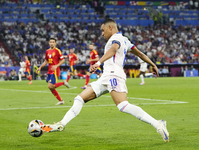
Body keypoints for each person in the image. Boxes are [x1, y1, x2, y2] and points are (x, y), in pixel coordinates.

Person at [41, 19, 169, 142]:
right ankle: (62, 124)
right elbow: (140, 54)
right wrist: (153, 64)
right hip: (105, 77)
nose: (102, 34)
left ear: (110, 28)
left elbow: (113, 50)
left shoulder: (116, 38)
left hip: (114, 75)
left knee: (123, 105)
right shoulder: (125, 40)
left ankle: (158, 124)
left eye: (103, 30)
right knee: (79, 99)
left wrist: (98, 63)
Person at [36, 38, 70, 105]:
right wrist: (40, 67)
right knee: (51, 88)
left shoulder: (57, 51)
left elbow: (63, 60)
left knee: (50, 86)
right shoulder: (47, 51)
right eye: (50, 42)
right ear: (49, 43)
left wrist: (56, 66)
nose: (51, 43)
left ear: (55, 43)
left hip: (55, 71)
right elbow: (46, 61)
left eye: (53, 42)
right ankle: (61, 101)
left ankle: (63, 83)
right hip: (49, 71)